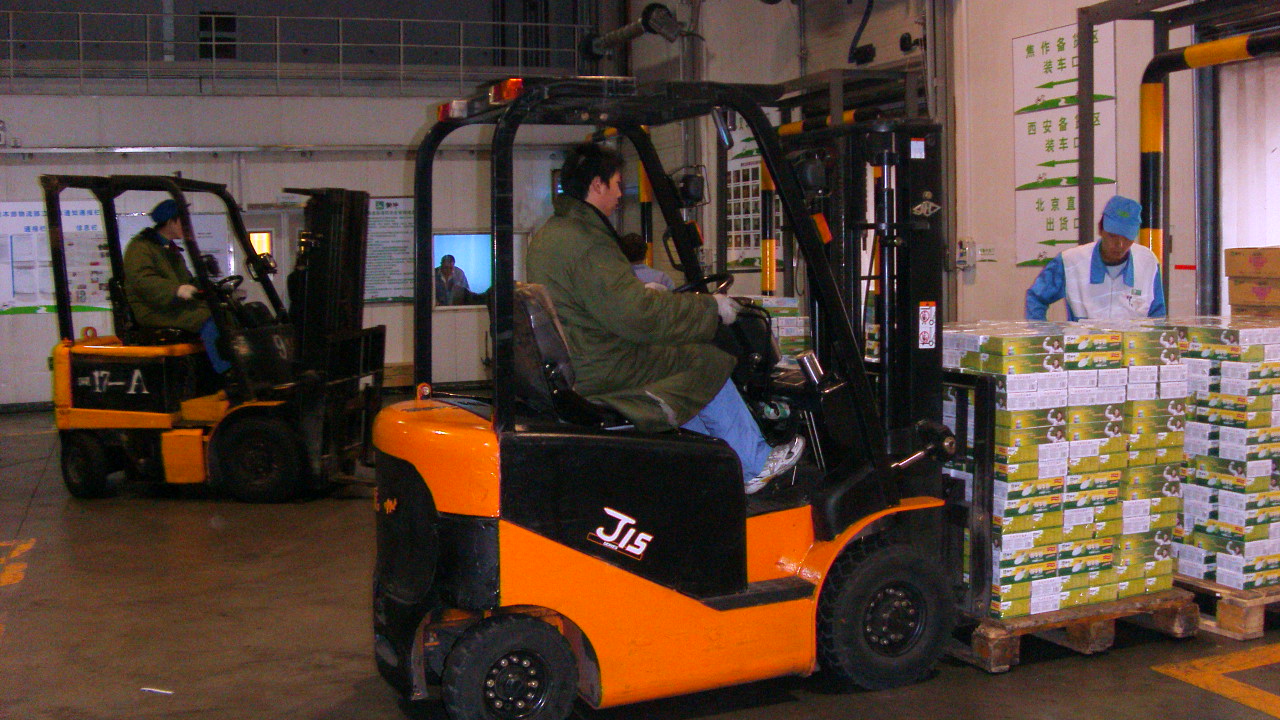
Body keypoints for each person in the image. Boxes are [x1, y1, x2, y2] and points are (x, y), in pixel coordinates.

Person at [526, 142, 804, 494]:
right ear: (596, 185)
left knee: (682, 367)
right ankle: (755, 463)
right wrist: (709, 308)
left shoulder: (553, 234)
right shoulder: (587, 242)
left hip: (584, 352)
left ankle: (707, 464)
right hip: (601, 363)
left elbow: (599, 300)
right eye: (616, 184)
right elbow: (638, 317)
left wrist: (645, 293)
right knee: (705, 361)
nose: (619, 195)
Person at [123, 199, 231, 374]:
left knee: (228, 313)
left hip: (172, 306)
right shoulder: (140, 248)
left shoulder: (169, 250)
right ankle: (226, 372)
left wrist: (211, 288)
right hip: (153, 309)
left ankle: (236, 366)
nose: (187, 226)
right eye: (183, 221)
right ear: (170, 222)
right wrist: (176, 290)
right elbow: (142, 280)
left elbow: (187, 280)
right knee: (208, 318)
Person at [1025, 194, 1166, 321]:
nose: (1120, 244)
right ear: (1100, 229)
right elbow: (1036, 298)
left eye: (1127, 238)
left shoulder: (1148, 262)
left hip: (1132, 342)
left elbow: (1157, 316)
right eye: (1112, 236)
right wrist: (1042, 334)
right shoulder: (1070, 262)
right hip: (1084, 341)